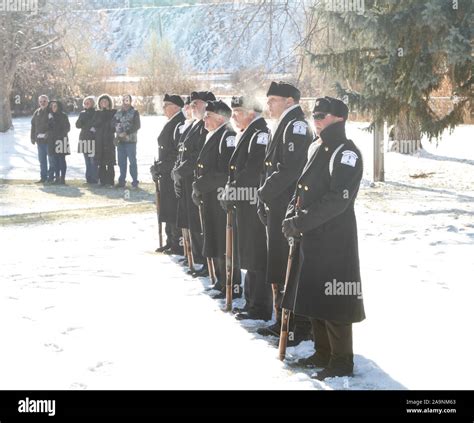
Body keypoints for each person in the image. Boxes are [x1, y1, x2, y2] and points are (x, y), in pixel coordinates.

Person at [281, 96, 365, 380]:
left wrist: (300, 222)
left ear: (339, 118)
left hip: (334, 239)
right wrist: (292, 212)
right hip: (312, 234)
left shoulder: (345, 153)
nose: (316, 119)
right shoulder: (318, 147)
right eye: (314, 114)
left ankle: (341, 361)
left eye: (322, 115)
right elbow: (302, 186)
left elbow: (336, 201)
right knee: (315, 293)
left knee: (335, 297)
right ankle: (323, 352)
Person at [256, 81, 313, 344]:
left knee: (290, 264)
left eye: (273, 100)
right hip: (277, 203)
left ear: (289, 101)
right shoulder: (285, 124)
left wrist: (265, 192)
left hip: (287, 203)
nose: (268, 105)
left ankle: (295, 326)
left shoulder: (297, 126)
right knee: (279, 261)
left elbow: (290, 169)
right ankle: (282, 321)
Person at [222, 95, 272, 321]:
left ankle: (259, 307)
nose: (233, 117)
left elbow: (253, 172)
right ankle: (251, 301)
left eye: (237, 112)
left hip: (252, 201)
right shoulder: (248, 132)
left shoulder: (259, 133)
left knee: (256, 253)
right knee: (249, 253)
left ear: (251, 113)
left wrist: (232, 190)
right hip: (244, 200)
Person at [192, 100, 241, 299]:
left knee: (224, 243)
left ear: (220, 117)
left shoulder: (227, 135)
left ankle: (231, 285)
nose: (204, 119)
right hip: (211, 197)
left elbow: (224, 173)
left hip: (221, 198)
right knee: (216, 240)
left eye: (208, 115)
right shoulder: (214, 134)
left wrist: (201, 185)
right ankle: (221, 281)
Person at [172, 91, 215, 278]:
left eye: (197, 103)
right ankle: (197, 257)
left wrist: (180, 171)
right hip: (187, 180)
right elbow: (182, 152)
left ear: (207, 104)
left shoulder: (205, 127)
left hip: (196, 180)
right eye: (192, 104)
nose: (193, 106)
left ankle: (205, 261)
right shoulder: (194, 125)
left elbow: (196, 156)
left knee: (199, 224)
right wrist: (177, 171)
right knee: (191, 220)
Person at [150, 94, 186, 255]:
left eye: (167, 105)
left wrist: (163, 167)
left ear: (177, 107)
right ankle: (169, 240)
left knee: (173, 208)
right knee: (166, 206)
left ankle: (177, 243)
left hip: (171, 171)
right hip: (165, 171)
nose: (163, 108)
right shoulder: (172, 122)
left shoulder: (179, 124)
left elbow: (176, 152)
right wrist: (157, 167)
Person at [112, 94, 141, 188]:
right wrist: (118, 129)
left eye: (127, 100)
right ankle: (121, 181)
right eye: (124, 100)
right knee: (121, 162)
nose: (125, 102)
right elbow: (113, 123)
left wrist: (126, 132)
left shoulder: (134, 112)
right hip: (120, 141)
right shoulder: (118, 112)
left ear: (130, 101)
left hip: (131, 141)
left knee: (132, 162)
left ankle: (134, 182)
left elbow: (137, 125)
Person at [94, 94, 117, 187]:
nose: (104, 103)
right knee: (101, 162)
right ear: (99, 103)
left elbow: (114, 125)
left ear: (109, 103)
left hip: (109, 139)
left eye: (106, 101)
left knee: (110, 162)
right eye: (102, 101)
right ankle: (102, 181)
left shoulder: (113, 112)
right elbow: (95, 124)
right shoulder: (97, 113)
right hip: (99, 139)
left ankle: (110, 181)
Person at [46, 100, 70, 184]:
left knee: (61, 159)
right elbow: (48, 128)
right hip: (52, 141)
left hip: (61, 140)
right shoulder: (49, 116)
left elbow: (67, 128)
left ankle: (62, 178)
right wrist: (50, 120)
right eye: (52, 106)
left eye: (55, 106)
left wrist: (60, 136)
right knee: (55, 160)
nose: (53, 108)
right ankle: (57, 177)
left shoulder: (63, 116)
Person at [76, 96, 98, 184]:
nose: (86, 104)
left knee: (93, 160)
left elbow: (97, 124)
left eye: (88, 102)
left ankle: (95, 178)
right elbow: (77, 125)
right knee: (87, 161)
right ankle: (88, 178)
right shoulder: (82, 113)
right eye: (85, 103)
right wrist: (82, 120)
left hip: (93, 139)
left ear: (92, 103)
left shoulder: (96, 113)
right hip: (83, 138)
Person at [30, 95, 51, 183]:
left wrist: (48, 134)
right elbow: (33, 126)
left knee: (51, 161)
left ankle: (51, 178)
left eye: (44, 101)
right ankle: (43, 178)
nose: (42, 103)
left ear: (47, 101)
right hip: (40, 142)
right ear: (39, 102)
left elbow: (53, 126)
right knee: (42, 160)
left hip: (49, 141)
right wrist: (32, 137)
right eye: (41, 101)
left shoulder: (51, 111)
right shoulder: (37, 112)